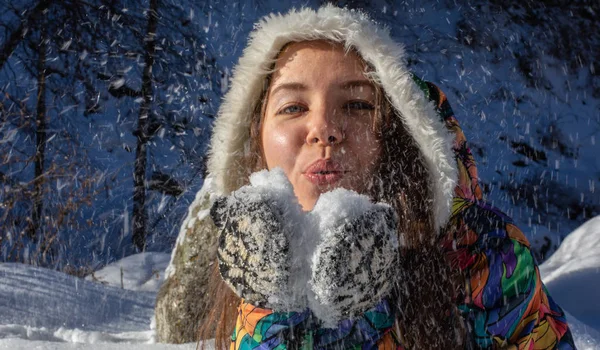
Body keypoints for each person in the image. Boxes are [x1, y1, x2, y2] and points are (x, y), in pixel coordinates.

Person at [161, 5, 575, 349]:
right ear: (256, 136)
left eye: (357, 105)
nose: (324, 128)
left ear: (396, 132)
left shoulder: (479, 251)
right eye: (292, 107)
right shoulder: (250, 255)